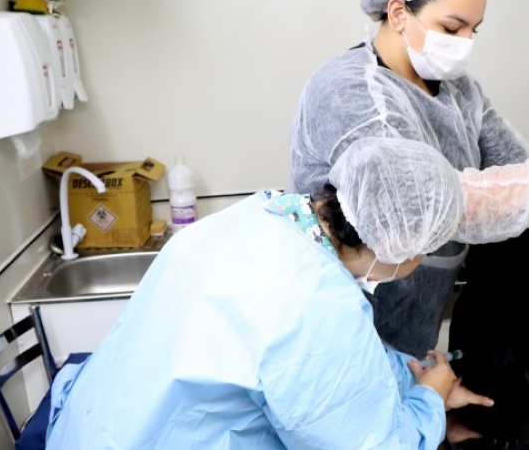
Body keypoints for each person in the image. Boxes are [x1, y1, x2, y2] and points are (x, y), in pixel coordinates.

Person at [46, 138, 494, 450]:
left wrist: (414, 379)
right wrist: (429, 404)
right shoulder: (320, 306)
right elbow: (370, 443)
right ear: (401, 244)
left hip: (91, 428)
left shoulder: (259, 216)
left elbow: (332, 366)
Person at [290, 0, 529, 357]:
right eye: (452, 27)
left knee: (417, 379)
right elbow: (414, 207)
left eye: (474, 30)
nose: (465, 43)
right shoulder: (351, 92)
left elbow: (516, 170)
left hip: (422, 308)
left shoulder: (460, 91)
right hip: (350, 311)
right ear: (399, 13)